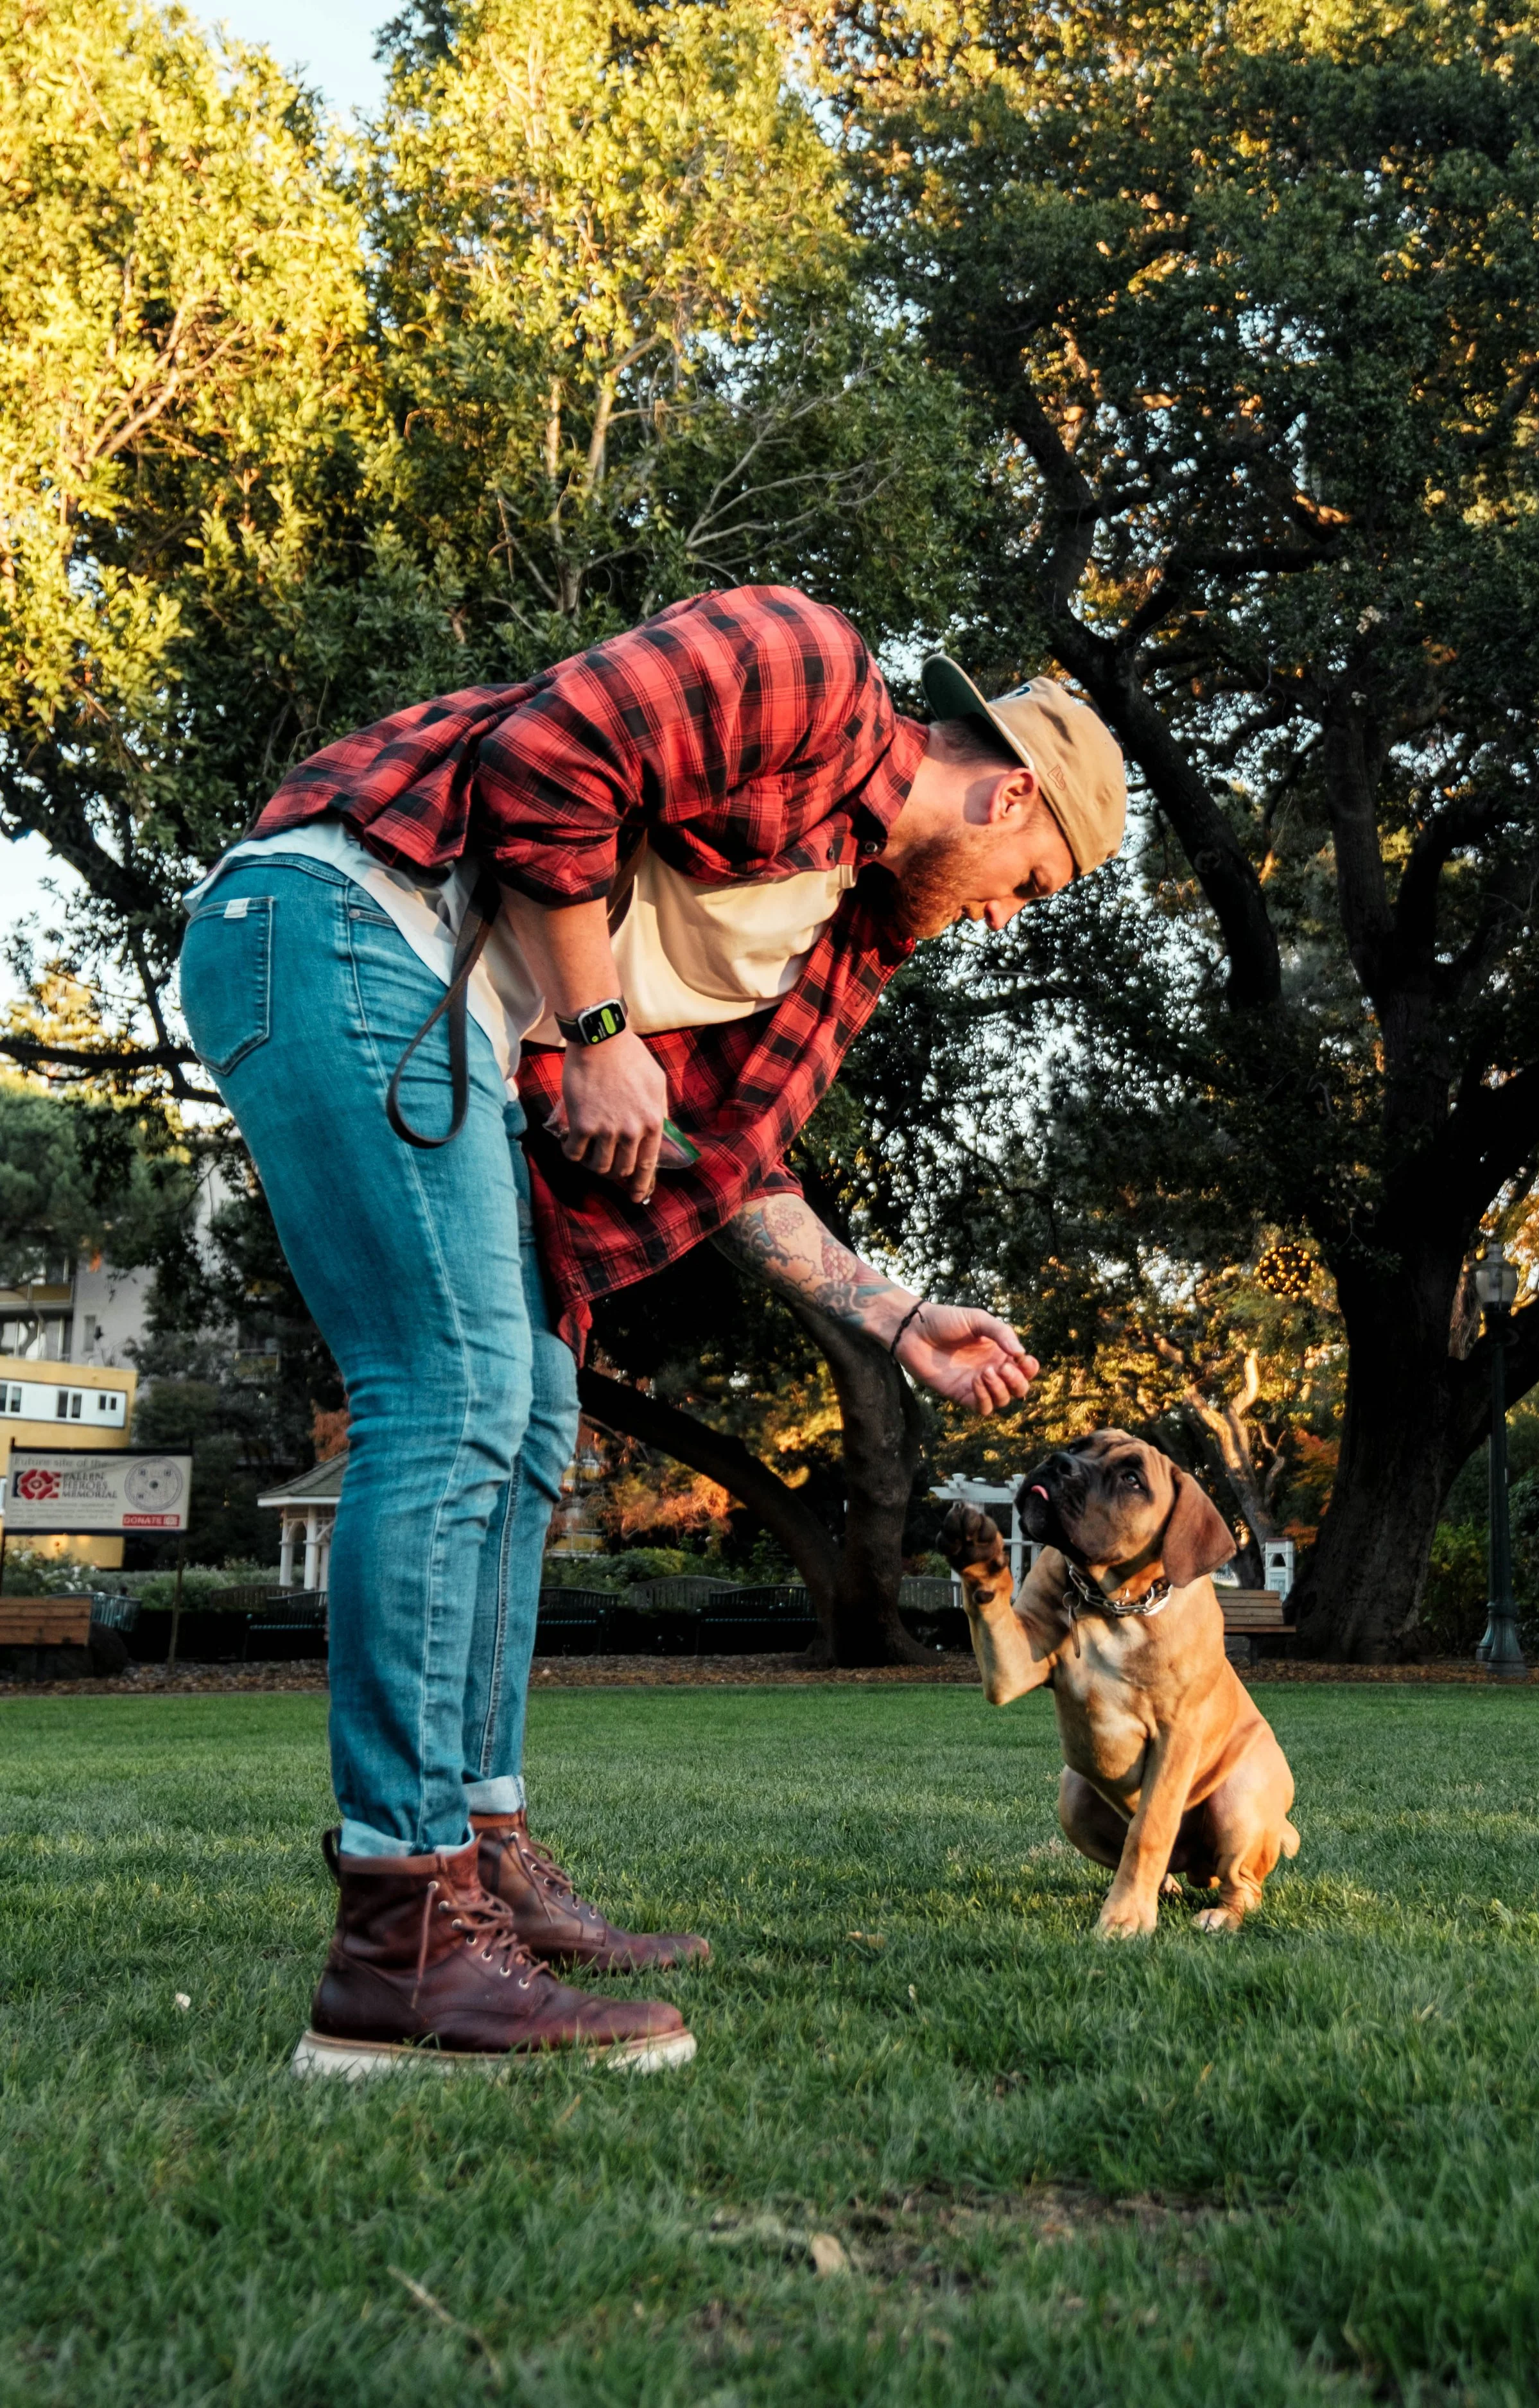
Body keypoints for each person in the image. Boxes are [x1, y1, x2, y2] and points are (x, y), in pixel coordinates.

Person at [178, 585, 1126, 2075]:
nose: (1006, 915)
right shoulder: (809, 672)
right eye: (1033, 882)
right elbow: (549, 757)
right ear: (1008, 795)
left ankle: (482, 1859)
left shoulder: (838, 942)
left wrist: (893, 1315)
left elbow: (726, 1162)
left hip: (449, 1017)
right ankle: (400, 1939)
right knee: (451, 1394)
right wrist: (601, 1031)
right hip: (341, 922)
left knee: (529, 1417)